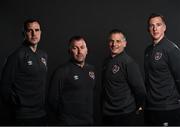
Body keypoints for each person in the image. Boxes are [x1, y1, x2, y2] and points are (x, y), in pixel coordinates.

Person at [0, 19, 48, 126]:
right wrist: (18, 104)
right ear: (24, 33)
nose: (34, 33)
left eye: (36, 30)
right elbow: (4, 87)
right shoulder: (17, 56)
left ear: (40, 32)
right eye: (29, 30)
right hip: (23, 116)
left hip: (41, 113)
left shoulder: (43, 55)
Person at [101, 29, 146, 125]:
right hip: (108, 114)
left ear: (124, 43)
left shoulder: (129, 63)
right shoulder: (106, 62)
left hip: (125, 114)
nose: (114, 44)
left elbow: (140, 90)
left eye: (118, 41)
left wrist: (137, 106)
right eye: (111, 41)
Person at [48, 36, 95, 125]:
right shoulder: (61, 71)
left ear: (87, 50)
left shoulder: (91, 69)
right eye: (75, 48)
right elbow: (52, 100)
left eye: (82, 47)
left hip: (88, 122)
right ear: (69, 51)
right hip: (69, 122)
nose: (79, 51)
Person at [144, 13, 180, 126]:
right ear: (148, 29)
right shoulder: (148, 51)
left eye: (158, 25)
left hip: (168, 107)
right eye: (151, 25)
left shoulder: (171, 49)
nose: (155, 28)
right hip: (151, 107)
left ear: (164, 27)